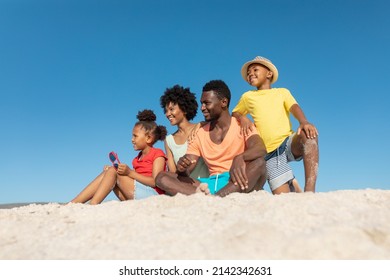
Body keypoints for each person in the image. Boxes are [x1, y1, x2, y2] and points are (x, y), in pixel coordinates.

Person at [156, 80, 267, 197]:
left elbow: (260, 149)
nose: (202, 108)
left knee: (259, 163)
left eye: (207, 103)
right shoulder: (199, 133)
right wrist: (182, 168)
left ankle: (214, 198)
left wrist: (240, 157)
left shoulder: (243, 125)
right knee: (162, 177)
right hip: (210, 183)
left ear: (224, 102)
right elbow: (188, 167)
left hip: (236, 179)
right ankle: (215, 198)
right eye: (202, 103)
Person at [232, 56, 319, 194]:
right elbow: (235, 113)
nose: (250, 74)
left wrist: (304, 122)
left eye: (255, 69)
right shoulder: (247, 96)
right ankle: (290, 180)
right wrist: (242, 117)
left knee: (308, 133)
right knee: (283, 197)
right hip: (269, 154)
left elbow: (294, 107)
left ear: (269, 74)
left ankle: (310, 190)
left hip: (287, 143)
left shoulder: (282, 92)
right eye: (248, 72)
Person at [70, 109, 167, 204]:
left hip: (153, 196)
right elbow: (136, 180)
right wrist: (113, 172)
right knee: (110, 171)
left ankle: (93, 204)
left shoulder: (158, 154)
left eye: (135, 136)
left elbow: (155, 182)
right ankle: (74, 203)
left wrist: (129, 172)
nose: (132, 140)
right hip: (137, 194)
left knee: (113, 171)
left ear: (148, 138)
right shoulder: (136, 159)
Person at [160, 84, 209, 179]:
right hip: (183, 187)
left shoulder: (201, 128)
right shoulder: (169, 140)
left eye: (171, 109)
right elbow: (173, 172)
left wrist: (202, 123)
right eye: (166, 111)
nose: (167, 114)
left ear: (184, 109)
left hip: (205, 185)